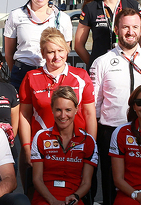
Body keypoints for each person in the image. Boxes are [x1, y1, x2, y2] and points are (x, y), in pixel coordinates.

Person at [90, 8, 141, 205]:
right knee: (111, 189)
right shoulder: (101, 62)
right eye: (125, 27)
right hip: (111, 132)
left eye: (134, 27)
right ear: (116, 29)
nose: (130, 32)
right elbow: (94, 105)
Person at [19, 28, 96, 189]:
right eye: (51, 52)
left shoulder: (81, 76)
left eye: (60, 50)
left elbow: (89, 115)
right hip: (42, 150)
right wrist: (27, 148)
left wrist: (91, 146)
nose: (56, 56)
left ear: (67, 50)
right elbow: (24, 115)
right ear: (42, 53)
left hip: (75, 149)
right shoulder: (31, 77)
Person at [30, 87, 97, 205]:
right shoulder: (41, 136)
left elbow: (87, 182)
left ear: (76, 109)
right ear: (52, 110)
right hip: (46, 197)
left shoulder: (88, 140)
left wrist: (75, 197)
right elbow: (36, 179)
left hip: (73, 198)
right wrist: (53, 201)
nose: (63, 115)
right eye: (58, 110)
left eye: (68, 110)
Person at [4, 0, 74, 89]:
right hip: (22, 74)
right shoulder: (16, 15)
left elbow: (65, 52)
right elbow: (8, 53)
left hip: (52, 74)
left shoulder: (63, 18)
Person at [75, 0, 140, 70]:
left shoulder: (133, 5)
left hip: (126, 67)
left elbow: (139, 41)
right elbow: (78, 45)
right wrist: (94, 65)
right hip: (101, 70)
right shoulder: (90, 8)